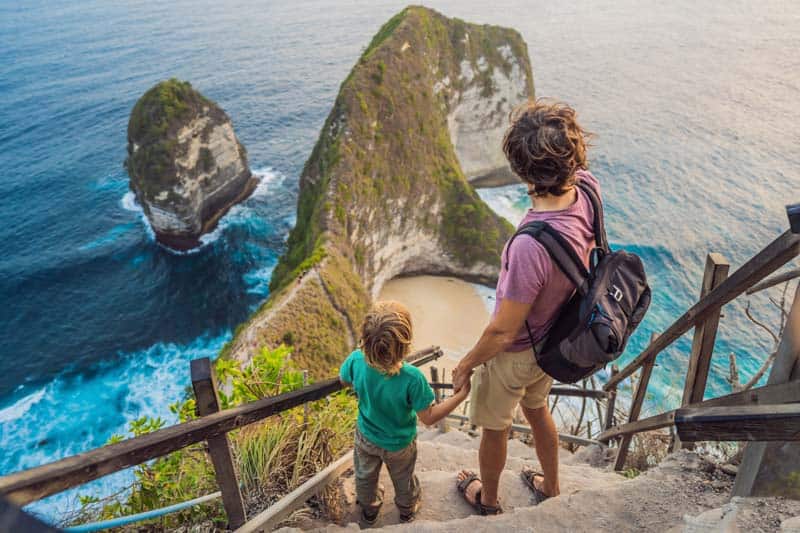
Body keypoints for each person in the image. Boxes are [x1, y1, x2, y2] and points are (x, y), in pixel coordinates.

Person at [452, 99, 599, 515]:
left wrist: (465, 364)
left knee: (495, 428)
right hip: (555, 339)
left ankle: (489, 499)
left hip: (517, 354)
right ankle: (551, 487)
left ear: (520, 169)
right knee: (537, 410)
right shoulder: (588, 189)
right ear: (574, 158)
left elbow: (502, 331)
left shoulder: (529, 246)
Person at [340, 301, 470, 526]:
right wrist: (460, 396)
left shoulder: (355, 360)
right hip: (399, 444)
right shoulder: (412, 378)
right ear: (404, 344)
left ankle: (369, 510)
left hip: (366, 436)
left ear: (366, 338)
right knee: (403, 479)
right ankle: (407, 510)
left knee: (364, 476)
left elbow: (344, 380)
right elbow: (428, 417)